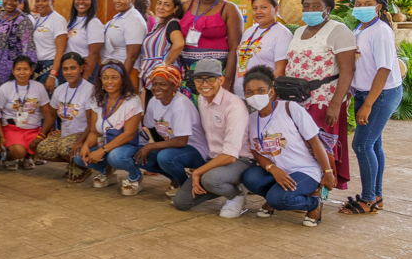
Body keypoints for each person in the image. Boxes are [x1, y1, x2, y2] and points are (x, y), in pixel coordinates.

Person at [241, 66, 334, 226]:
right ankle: (273, 196)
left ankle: (313, 203)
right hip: (277, 171)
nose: (255, 96)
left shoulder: (290, 108)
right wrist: (272, 169)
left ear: (271, 90)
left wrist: (327, 172)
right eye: (250, 93)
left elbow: (314, 142)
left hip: (304, 170)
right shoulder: (250, 120)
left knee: (279, 199)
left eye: (261, 90)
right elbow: (256, 152)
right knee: (250, 179)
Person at [285, 0, 356, 191]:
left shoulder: (339, 30)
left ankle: (318, 193)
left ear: (328, 9)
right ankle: (300, 186)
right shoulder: (299, 31)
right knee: (299, 146)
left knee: (321, 147)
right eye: (306, 6)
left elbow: (347, 69)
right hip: (297, 100)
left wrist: (335, 106)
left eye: (316, 6)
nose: (310, 10)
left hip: (323, 101)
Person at [340, 0, 403, 215]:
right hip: (365, 92)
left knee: (362, 144)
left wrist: (368, 104)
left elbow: (384, 69)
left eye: (367, 4)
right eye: (358, 4)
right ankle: (376, 196)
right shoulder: (360, 27)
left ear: (378, 6)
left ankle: (368, 201)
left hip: (381, 93)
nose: (361, 7)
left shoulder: (381, 31)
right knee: (373, 144)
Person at [172, 58, 252, 216]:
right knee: (182, 202)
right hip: (215, 159)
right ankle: (219, 183)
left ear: (221, 80)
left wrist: (197, 173)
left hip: (239, 160)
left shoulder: (234, 106)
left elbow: (229, 155)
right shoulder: (202, 99)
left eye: (210, 78)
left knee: (210, 179)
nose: (204, 84)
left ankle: (236, 195)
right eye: (199, 79)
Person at [130, 65, 209, 196]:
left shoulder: (181, 105)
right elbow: (150, 126)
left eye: (162, 84)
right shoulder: (154, 101)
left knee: (165, 157)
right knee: (137, 156)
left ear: (174, 86)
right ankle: (175, 178)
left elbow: (181, 142)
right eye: (154, 84)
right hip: (176, 147)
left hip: (196, 150)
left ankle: (185, 186)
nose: (156, 88)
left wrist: (151, 146)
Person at [74, 61, 144, 194]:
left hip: (130, 144)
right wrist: (86, 145)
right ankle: (106, 171)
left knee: (115, 156)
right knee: (79, 156)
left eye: (114, 77)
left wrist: (102, 151)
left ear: (122, 79)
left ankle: (135, 177)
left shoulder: (132, 100)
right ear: (100, 80)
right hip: (106, 142)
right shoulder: (98, 100)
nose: (109, 82)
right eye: (105, 78)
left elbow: (129, 134)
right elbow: (94, 131)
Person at [179, 0, 243, 89]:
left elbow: (234, 48)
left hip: (215, 75)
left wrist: (227, 81)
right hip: (187, 73)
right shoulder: (186, 6)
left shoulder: (229, 9)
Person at [35, 52, 94, 182]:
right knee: (43, 149)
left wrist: (80, 141)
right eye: (65, 69)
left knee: (64, 147)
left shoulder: (89, 90)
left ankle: (84, 168)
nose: (69, 72)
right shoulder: (60, 89)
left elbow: (92, 124)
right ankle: (74, 164)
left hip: (85, 135)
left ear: (81, 68)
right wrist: (41, 135)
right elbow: (51, 115)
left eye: (73, 68)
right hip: (66, 135)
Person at [0, 56, 53, 170]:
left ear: (31, 71)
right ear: (13, 71)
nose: (22, 73)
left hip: (33, 130)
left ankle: (28, 157)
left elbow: (47, 114)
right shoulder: (5, 88)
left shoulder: (38, 87)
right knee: (18, 151)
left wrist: (45, 134)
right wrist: (1, 136)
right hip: (12, 129)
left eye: (25, 69)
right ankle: (9, 158)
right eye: (18, 69)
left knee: (44, 149)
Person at [233, 0, 292, 96]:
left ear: (276, 9)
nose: (258, 12)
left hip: (262, 96)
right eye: (255, 8)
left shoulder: (282, 34)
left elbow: (280, 70)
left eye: (263, 7)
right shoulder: (249, 31)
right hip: (240, 93)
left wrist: (272, 94)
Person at [139, 0, 185, 90]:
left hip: (162, 78)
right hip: (152, 75)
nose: (161, 7)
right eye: (159, 3)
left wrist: (164, 65)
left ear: (175, 9)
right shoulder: (158, 24)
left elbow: (179, 43)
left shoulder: (172, 24)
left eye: (166, 5)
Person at [103, 0, 147, 80]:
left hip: (126, 71)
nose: (117, 1)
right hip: (112, 69)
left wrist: (122, 79)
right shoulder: (119, 16)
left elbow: (132, 56)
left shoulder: (134, 21)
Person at [30, 0, 67, 91]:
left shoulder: (58, 20)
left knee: (48, 99)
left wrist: (52, 74)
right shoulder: (37, 19)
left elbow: (60, 50)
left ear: (52, 1)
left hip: (50, 66)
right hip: (37, 65)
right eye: (37, 0)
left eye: (44, 0)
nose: (39, 3)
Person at [65, 0, 104, 81]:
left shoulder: (94, 23)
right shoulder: (71, 21)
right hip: (70, 69)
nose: (81, 1)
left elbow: (93, 55)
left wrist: (85, 80)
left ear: (92, 1)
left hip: (84, 72)